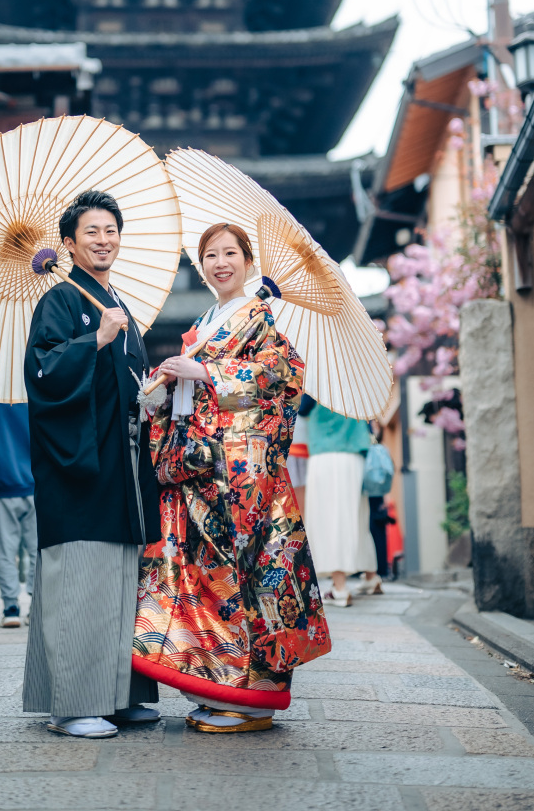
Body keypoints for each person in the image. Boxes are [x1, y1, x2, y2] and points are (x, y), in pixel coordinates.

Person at [133, 223, 331, 734]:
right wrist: (167, 385)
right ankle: (227, 686)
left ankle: (256, 698)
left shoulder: (259, 317)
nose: (220, 263)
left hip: (243, 477)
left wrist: (210, 375)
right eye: (210, 256)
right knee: (211, 579)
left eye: (230, 254)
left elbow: (281, 380)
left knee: (247, 576)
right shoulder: (207, 321)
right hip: (203, 469)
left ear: (248, 262)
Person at [22, 189, 161, 739]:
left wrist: (154, 389)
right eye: (91, 233)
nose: (103, 240)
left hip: (122, 466)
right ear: (68, 245)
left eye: (110, 231)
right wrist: (93, 341)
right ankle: (73, 702)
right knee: (81, 578)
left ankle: (118, 694)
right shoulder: (58, 302)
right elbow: (42, 377)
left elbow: (129, 384)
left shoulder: (118, 302)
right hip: (79, 467)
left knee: (123, 581)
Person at [301, 397, 381, 606]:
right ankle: (371, 578)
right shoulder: (357, 381)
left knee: (329, 518)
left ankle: (339, 588)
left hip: (326, 455)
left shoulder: (317, 380)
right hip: (355, 456)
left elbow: (301, 410)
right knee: (356, 516)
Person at [0, 403, 38, 627]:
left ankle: (10, 607)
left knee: (6, 550)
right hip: (35, 485)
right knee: (37, 549)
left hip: (5, 486)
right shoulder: (35, 398)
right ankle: (36, 605)